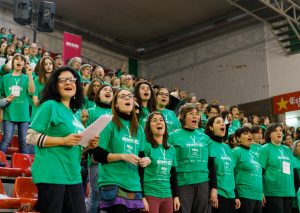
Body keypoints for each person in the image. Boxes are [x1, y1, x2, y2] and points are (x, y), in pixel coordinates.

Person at [26, 66, 98, 213]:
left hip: (73, 175)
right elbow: (30, 136)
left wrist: (88, 146)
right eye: (62, 80)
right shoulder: (49, 106)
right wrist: (63, 141)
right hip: (51, 174)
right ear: (55, 85)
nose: (68, 82)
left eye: (72, 80)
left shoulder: (75, 114)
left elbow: (73, 145)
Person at [89, 89, 151, 213]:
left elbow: (140, 161)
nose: (127, 98)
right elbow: (98, 155)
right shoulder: (109, 123)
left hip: (134, 186)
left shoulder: (138, 129)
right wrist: (122, 156)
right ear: (116, 104)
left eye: (130, 96)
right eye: (123, 96)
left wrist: (146, 160)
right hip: (113, 183)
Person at [169, 103, 217, 213]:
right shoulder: (172, 137)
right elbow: (171, 166)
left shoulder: (205, 138)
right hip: (183, 183)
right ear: (182, 117)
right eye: (191, 114)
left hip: (203, 182)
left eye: (197, 114)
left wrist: (214, 188)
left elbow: (211, 164)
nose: (195, 116)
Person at [142, 111, 180, 213]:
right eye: (154, 120)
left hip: (167, 195)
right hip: (150, 194)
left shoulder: (171, 149)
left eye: (161, 120)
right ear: (149, 127)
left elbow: (173, 174)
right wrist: (142, 197)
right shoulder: (146, 147)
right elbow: (139, 173)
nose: (159, 122)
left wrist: (176, 196)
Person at [258, 123, 299, 213]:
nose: (279, 133)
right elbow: (260, 172)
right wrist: (260, 191)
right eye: (275, 131)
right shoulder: (265, 148)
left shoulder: (287, 149)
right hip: (273, 193)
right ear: (269, 135)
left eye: (280, 130)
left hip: (288, 192)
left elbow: (294, 170)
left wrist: (295, 189)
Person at [85, 84, 113, 213]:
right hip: (96, 160)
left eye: (111, 90)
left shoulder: (116, 114)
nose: (108, 91)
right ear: (98, 95)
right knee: (96, 195)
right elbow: (87, 135)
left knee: (111, 198)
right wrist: (94, 153)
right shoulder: (91, 112)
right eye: (105, 90)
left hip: (114, 160)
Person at [0, 54, 35, 154]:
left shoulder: (27, 77)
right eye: (16, 59)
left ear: (24, 64)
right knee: (6, 139)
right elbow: (1, 95)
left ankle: (24, 164)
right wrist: (5, 101)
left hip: (23, 114)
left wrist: (30, 75)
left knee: (24, 142)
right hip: (8, 112)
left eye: (21, 60)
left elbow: (32, 91)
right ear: (13, 62)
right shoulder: (5, 78)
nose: (19, 61)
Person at [205, 116, 240, 213]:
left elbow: (232, 172)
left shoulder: (227, 147)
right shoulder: (209, 144)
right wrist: (213, 189)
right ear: (211, 128)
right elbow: (210, 169)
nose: (222, 124)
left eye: (223, 122)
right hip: (218, 193)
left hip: (231, 194)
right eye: (218, 122)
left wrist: (236, 195)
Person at [232, 127, 263, 213]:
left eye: (249, 133)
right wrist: (236, 195)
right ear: (238, 138)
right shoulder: (236, 152)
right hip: (244, 195)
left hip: (258, 196)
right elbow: (230, 173)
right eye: (245, 133)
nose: (249, 135)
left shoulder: (254, 154)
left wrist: (262, 193)